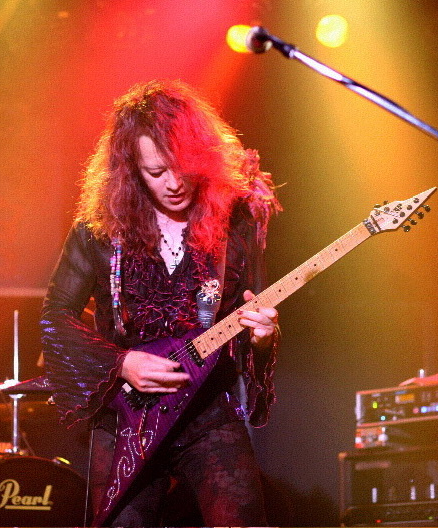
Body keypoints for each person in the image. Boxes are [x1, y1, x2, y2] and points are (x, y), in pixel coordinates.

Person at [40, 79, 281, 527]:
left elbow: (254, 315)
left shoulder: (235, 221)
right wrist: (122, 363)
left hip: (208, 413)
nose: (173, 184)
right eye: (156, 172)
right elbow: (56, 316)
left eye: (182, 168)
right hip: (126, 417)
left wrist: (264, 335)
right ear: (131, 170)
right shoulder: (99, 230)